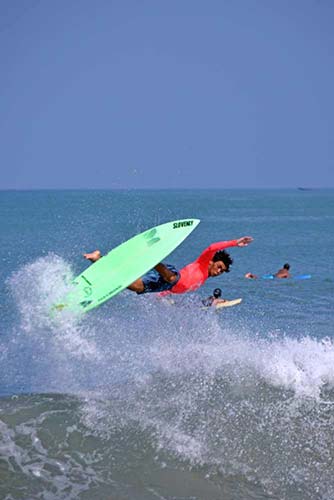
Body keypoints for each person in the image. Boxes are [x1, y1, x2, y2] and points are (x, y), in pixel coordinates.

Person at [84, 236, 253, 295]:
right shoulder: (203, 263)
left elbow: (178, 289)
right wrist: (234, 242)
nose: (219, 271)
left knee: (133, 286)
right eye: (219, 266)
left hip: (162, 285)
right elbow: (211, 247)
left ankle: (98, 258)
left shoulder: (203, 279)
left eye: (222, 271)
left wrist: (163, 296)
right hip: (170, 275)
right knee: (172, 278)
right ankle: (153, 260)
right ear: (211, 261)